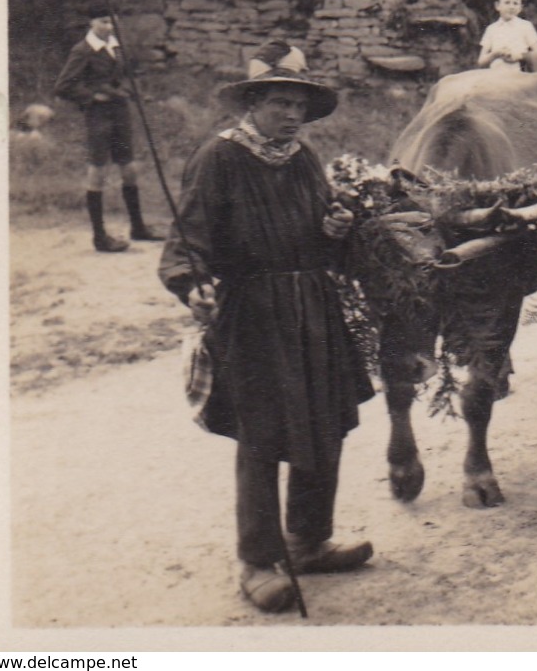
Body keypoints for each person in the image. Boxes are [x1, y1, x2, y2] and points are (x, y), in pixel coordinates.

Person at [159, 41, 376, 614]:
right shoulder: (219, 158)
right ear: (252, 103)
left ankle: (308, 540)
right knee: (261, 434)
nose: (293, 114)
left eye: (300, 105)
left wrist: (336, 227)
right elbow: (186, 242)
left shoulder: (303, 158)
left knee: (324, 424)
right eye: (281, 102)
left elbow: (323, 234)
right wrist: (192, 282)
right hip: (253, 312)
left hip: (313, 305)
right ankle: (257, 560)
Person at [53, 6, 164, 252]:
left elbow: (124, 76)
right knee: (98, 170)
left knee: (129, 167)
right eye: (104, 21)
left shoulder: (116, 46)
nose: (110, 26)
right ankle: (99, 236)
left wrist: (130, 91)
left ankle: (138, 227)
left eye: (113, 20)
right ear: (91, 23)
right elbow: (63, 86)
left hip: (120, 113)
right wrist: (93, 96)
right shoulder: (83, 50)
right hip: (99, 116)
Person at [477, 0, 537, 73]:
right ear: (497, 6)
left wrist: (521, 56)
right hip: (496, 76)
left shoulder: (525, 26)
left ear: (520, 8)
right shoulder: (491, 29)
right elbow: (481, 61)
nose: (511, 7)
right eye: (507, 2)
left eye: (515, 3)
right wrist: (495, 54)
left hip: (520, 76)